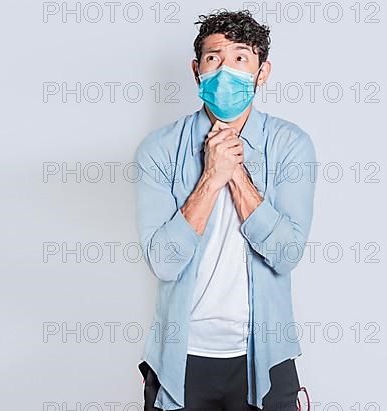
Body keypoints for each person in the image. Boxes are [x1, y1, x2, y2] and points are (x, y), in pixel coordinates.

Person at [134, 9, 317, 411]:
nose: (226, 70)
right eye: (214, 58)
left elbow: (286, 255)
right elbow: (163, 262)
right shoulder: (159, 149)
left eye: (240, 58)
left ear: (262, 71)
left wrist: (235, 174)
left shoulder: (291, 146)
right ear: (196, 69)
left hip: (265, 357)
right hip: (181, 357)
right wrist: (210, 177)